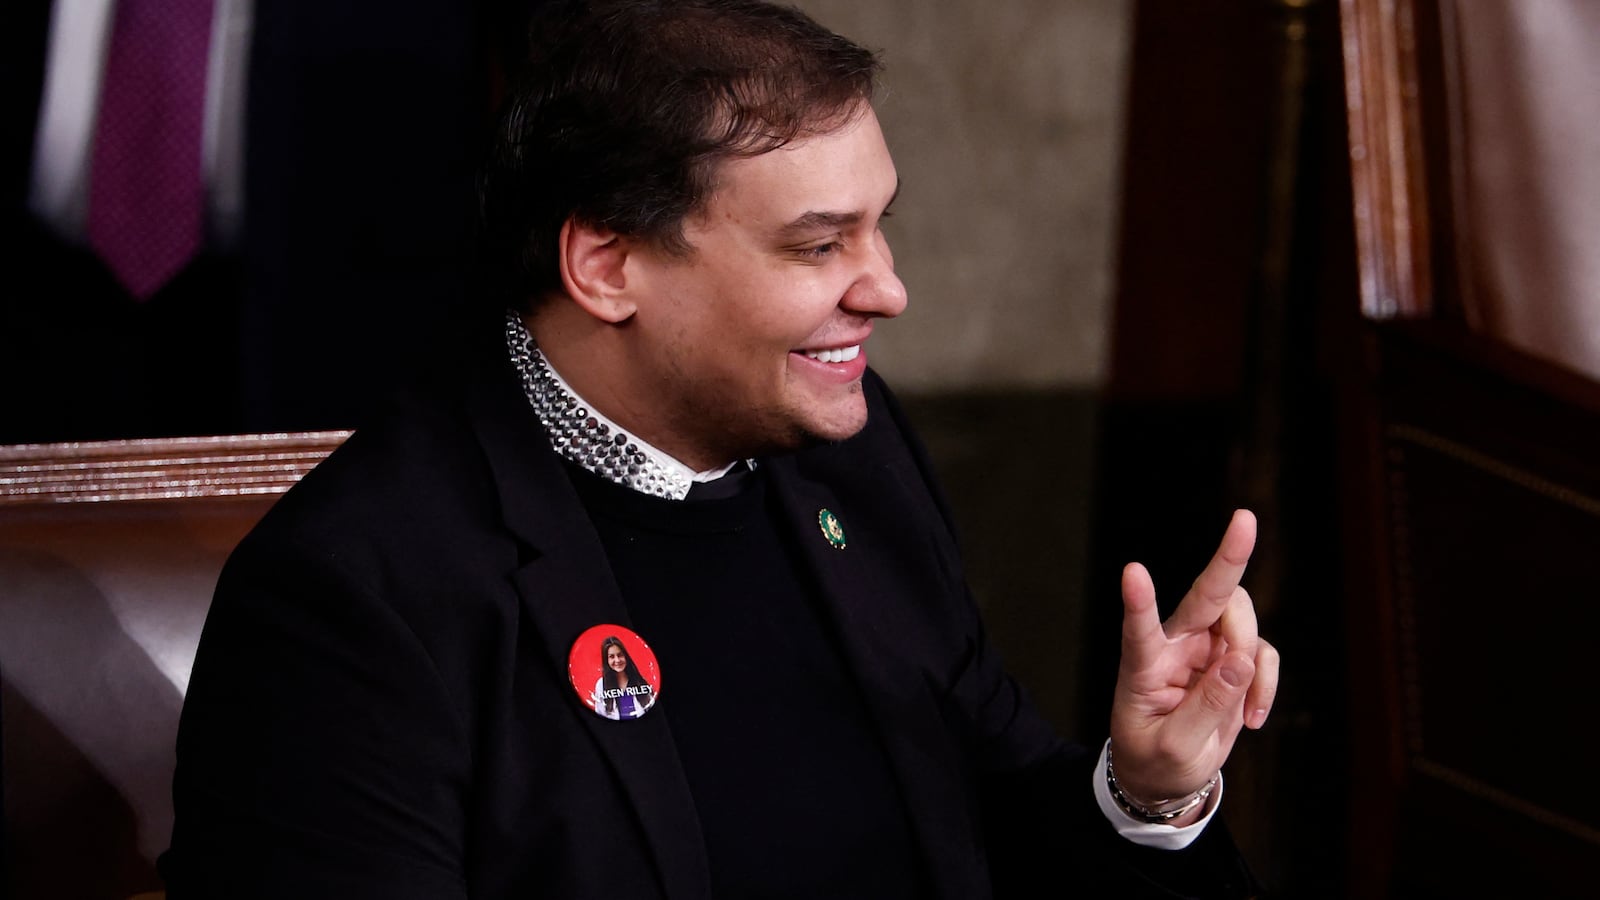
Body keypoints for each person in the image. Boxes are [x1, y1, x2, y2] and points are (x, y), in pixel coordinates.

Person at [161, 1, 1280, 897]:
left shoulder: (852, 452)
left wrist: (1144, 792)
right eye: (816, 245)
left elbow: (996, 820)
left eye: (880, 222)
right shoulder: (359, 592)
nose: (886, 287)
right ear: (606, 266)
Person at [592, 635, 656, 720]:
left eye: (620, 655)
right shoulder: (601, 685)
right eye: (612, 657)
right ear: (606, 660)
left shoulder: (640, 682)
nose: (617, 660)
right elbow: (600, 714)